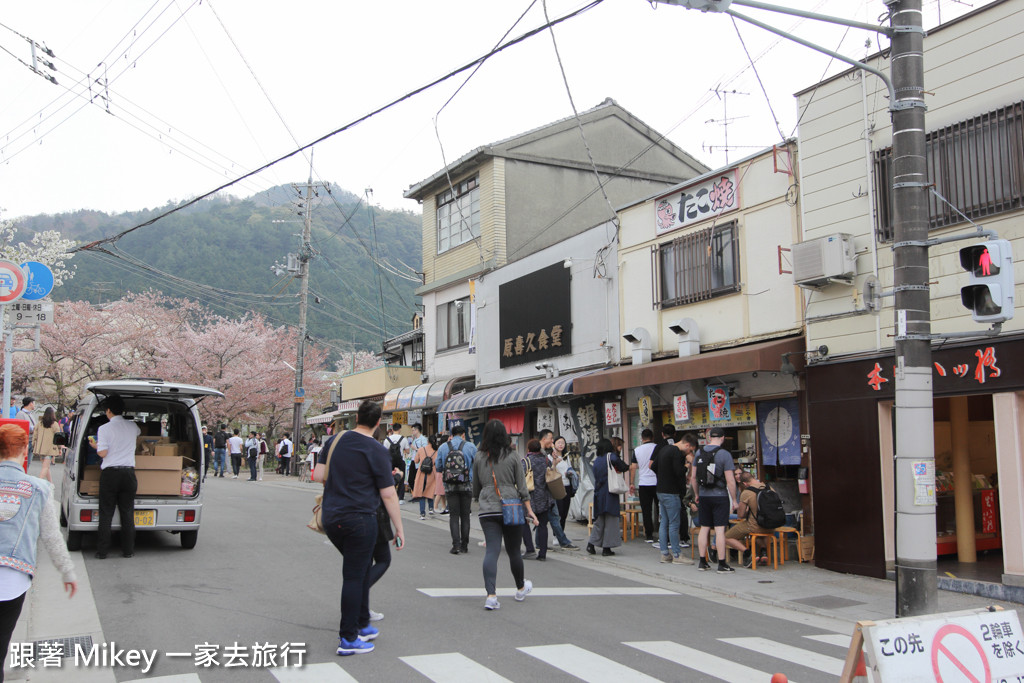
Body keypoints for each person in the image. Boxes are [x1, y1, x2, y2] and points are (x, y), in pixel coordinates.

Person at [313, 400, 403, 656]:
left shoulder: (334, 441)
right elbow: (388, 495)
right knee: (355, 576)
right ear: (378, 422)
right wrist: (400, 529)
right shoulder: (376, 449)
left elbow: (318, 476)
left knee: (361, 570)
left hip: (331, 516)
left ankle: (362, 624)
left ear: (356, 419)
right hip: (360, 518)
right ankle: (348, 638)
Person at [0, 424, 77, 672]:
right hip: (11, 580)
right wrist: (67, 572)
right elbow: (51, 537)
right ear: (25, 449)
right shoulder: (39, 489)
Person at [471, 419, 537, 610]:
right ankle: (520, 588)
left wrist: (481, 496)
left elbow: (475, 487)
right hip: (511, 506)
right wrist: (530, 510)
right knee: (514, 550)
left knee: (491, 550)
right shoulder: (513, 456)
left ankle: (491, 595)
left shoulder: (479, 456)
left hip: (487, 508)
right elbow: (522, 486)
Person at [95, 395, 142, 559]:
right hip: (129, 473)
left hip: (110, 474)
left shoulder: (104, 429)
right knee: (127, 513)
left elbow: (103, 453)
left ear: (108, 410)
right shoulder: (132, 426)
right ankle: (128, 551)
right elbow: (138, 432)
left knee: (106, 513)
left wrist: (95, 446)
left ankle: (102, 552)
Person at [691, 426, 739, 573]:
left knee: (704, 528)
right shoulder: (724, 454)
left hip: (704, 496)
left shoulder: (699, 452)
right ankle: (722, 564)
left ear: (709, 437)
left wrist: (697, 494)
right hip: (720, 496)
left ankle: (702, 562)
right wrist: (734, 500)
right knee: (719, 530)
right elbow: (730, 481)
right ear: (723, 438)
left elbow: (693, 477)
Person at [652, 428, 689, 564]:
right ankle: (677, 555)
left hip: (660, 490)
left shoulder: (663, 449)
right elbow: (679, 472)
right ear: (687, 445)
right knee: (674, 524)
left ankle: (664, 554)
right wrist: (686, 467)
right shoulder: (676, 452)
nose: (688, 453)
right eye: (690, 450)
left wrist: (663, 475)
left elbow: (653, 466)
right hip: (672, 492)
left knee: (664, 523)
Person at [436, 425, 476, 554]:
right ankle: (465, 546)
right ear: (463, 434)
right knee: (465, 515)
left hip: (450, 485)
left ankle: (456, 545)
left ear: (451, 435)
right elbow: (477, 464)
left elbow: (438, 466)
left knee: (453, 515)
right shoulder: (470, 446)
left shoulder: (443, 447)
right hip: (466, 484)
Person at [587, 438, 630, 556]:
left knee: (599, 521)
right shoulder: (611, 456)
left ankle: (591, 544)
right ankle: (607, 548)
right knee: (611, 521)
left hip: (599, 493)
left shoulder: (597, 460)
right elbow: (623, 467)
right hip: (609, 493)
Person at [725, 471, 771, 568]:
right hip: (771, 525)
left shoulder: (747, 492)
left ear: (745, 483)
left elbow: (740, 515)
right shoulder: (769, 487)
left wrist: (747, 510)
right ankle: (763, 552)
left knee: (726, 537)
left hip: (754, 526)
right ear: (753, 477)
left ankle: (749, 554)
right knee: (757, 534)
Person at [540, 431, 576, 550]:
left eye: (563, 443)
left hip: (567, 486)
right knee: (557, 513)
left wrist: (571, 473)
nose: (561, 445)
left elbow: (569, 469)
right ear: (554, 444)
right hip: (556, 486)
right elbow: (549, 471)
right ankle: (557, 537)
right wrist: (555, 463)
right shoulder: (549, 457)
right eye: (558, 442)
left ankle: (560, 535)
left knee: (564, 513)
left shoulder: (567, 457)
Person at [525, 439, 555, 561]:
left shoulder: (526, 461)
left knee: (524, 522)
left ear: (529, 449)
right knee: (543, 525)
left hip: (530, 497)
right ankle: (542, 554)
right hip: (544, 496)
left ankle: (530, 549)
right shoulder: (546, 460)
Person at [631, 428, 658, 544]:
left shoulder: (637, 450)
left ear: (642, 439)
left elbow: (633, 467)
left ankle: (649, 535)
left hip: (643, 483)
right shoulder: (657, 448)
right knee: (661, 509)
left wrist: (631, 483)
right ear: (652, 437)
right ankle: (663, 534)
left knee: (646, 510)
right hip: (657, 482)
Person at [411, 434, 438, 519]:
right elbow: (438, 463)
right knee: (430, 490)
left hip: (422, 473)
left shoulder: (421, 449)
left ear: (428, 441)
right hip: (432, 473)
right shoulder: (436, 451)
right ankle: (430, 508)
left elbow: (415, 461)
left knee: (421, 492)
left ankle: (422, 513)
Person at [31, 406, 62, 478]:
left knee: (46, 467)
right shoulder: (55, 424)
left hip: (40, 448)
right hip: (50, 449)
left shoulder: (39, 424)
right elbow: (58, 437)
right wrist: (60, 448)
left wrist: (34, 445)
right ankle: (39, 483)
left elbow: (34, 435)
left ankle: (51, 484)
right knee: (45, 467)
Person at [14, 398, 36, 465]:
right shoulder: (21, 414)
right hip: (25, 441)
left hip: (31, 440)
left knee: (28, 463)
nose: (34, 405)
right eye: (34, 403)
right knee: (23, 462)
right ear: (30, 403)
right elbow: (20, 427)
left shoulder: (30, 414)